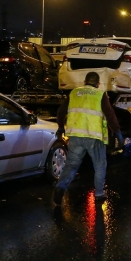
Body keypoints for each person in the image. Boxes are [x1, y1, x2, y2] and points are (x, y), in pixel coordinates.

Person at [54, 71, 122, 205]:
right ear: (98, 84)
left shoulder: (73, 93)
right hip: (94, 137)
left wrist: (61, 127)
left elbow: (60, 112)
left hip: (75, 136)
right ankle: (99, 194)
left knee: (71, 165)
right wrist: (118, 132)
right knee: (100, 165)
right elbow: (110, 115)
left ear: (84, 82)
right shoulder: (100, 95)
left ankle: (60, 187)